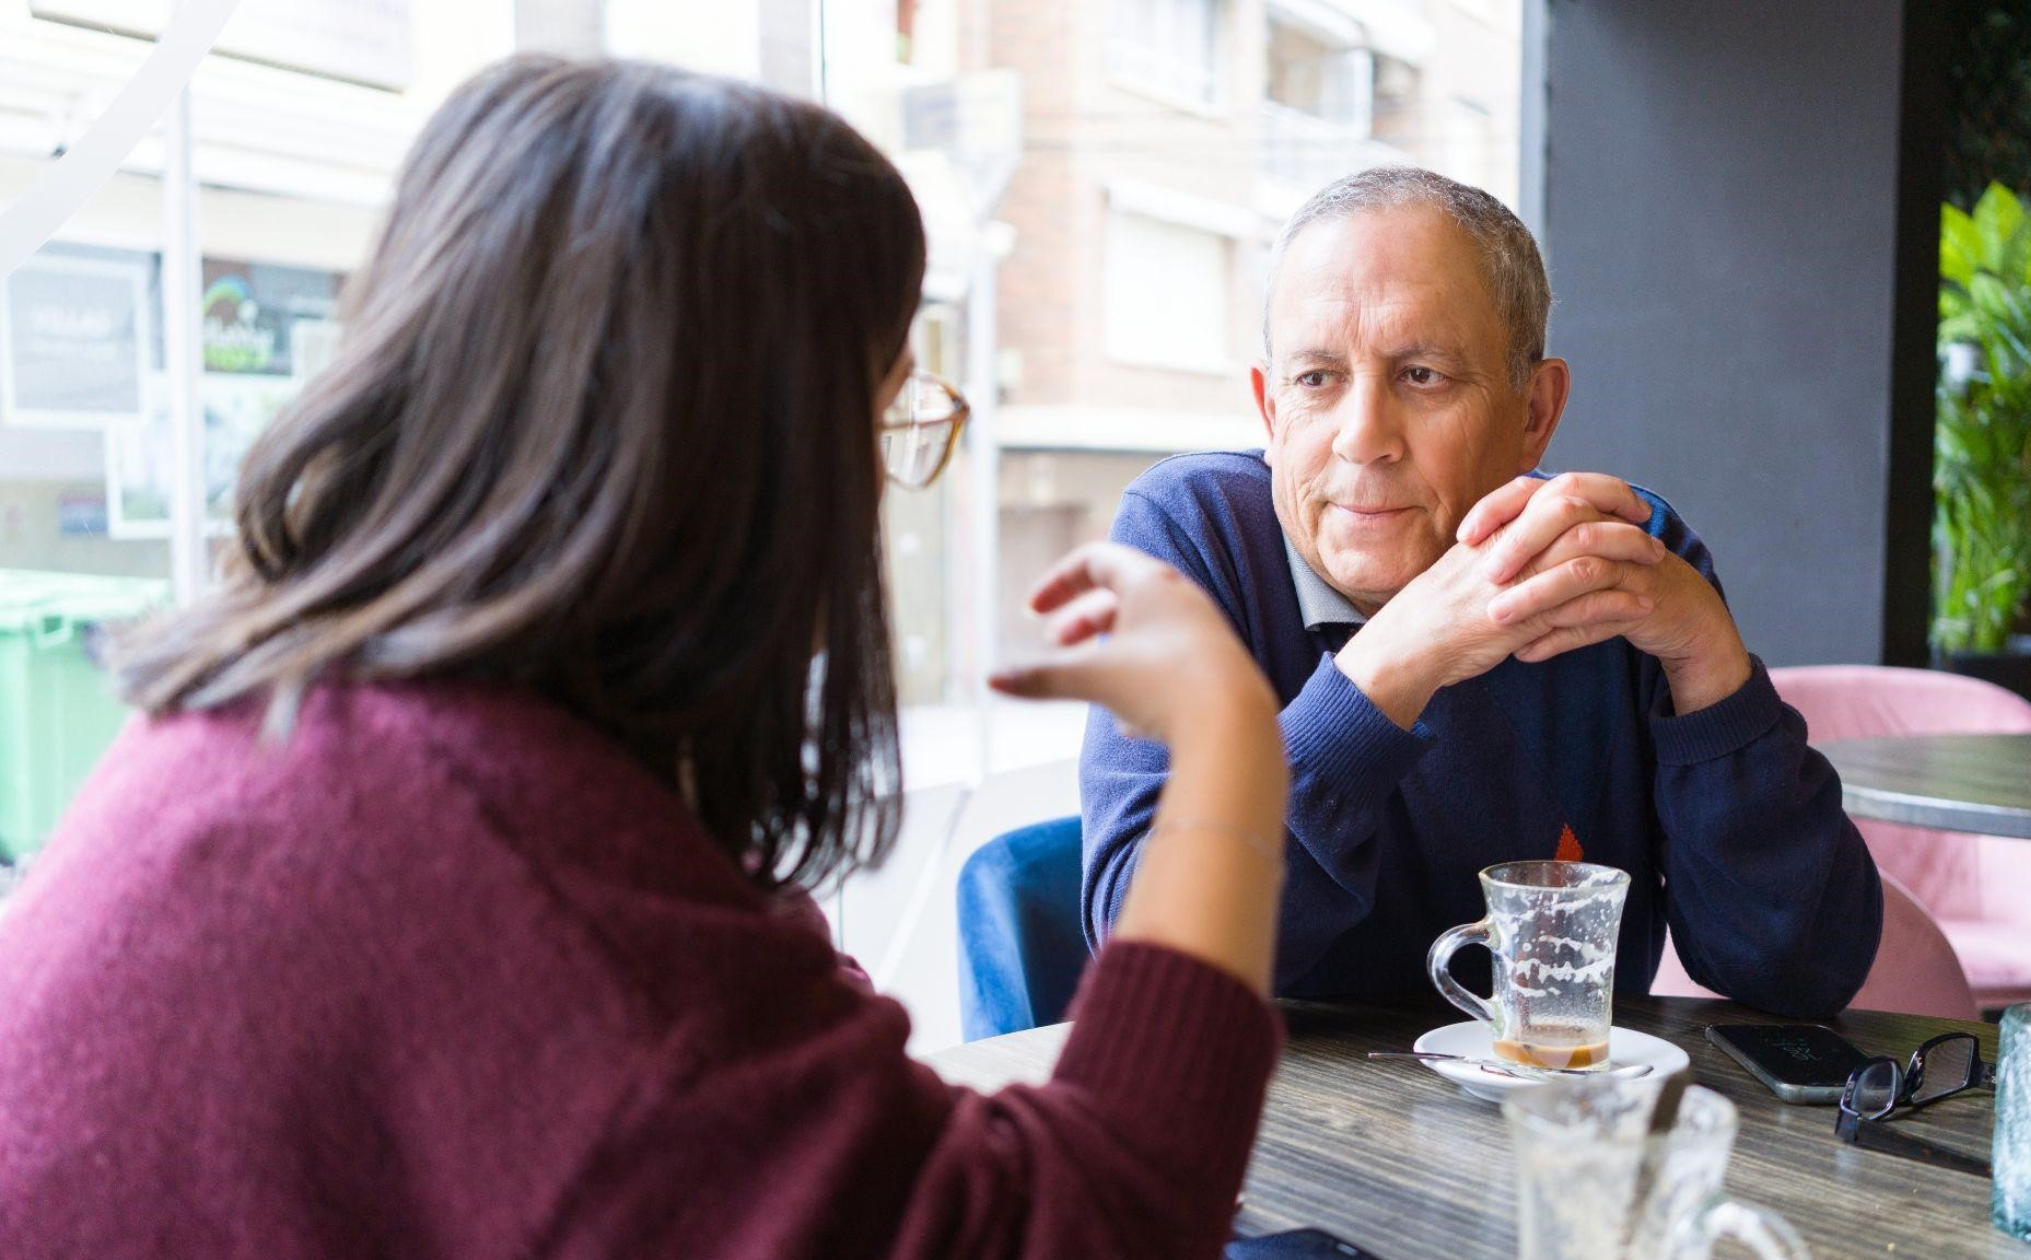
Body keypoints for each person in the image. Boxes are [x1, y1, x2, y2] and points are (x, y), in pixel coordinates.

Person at [0, 56, 1293, 1258]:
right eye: (881, 407)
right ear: (741, 461)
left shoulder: (300, 719)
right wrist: (1228, 739)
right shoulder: (510, 871)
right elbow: (1082, 1226)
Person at [1080, 166, 1882, 1018]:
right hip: (1259, 1134)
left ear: (1534, 411)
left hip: (1555, 1130)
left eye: (1422, 375)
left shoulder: (1615, 565)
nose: (1364, 439)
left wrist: (1711, 667)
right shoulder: (1187, 542)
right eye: (1316, 379)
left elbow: (1804, 973)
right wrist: (1398, 659)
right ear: (1269, 410)